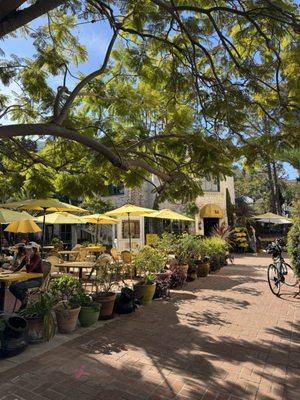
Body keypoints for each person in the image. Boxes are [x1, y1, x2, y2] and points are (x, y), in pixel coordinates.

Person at [9, 242, 43, 310]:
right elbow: (19, 267)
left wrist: (28, 259)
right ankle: (24, 304)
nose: (27, 251)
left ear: (34, 250)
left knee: (14, 287)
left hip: (37, 280)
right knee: (13, 286)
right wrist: (12, 272)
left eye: (29, 250)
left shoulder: (37, 258)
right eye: (27, 250)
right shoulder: (26, 258)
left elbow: (29, 269)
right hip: (29, 279)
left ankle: (24, 300)